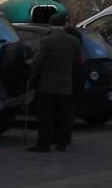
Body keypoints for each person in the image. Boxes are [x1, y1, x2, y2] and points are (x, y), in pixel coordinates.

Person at [28, 20, 81, 153]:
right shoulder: (74, 41)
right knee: (63, 116)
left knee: (45, 116)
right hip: (66, 85)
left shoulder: (47, 41)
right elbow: (77, 62)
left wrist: (33, 77)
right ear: (64, 25)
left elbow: (37, 62)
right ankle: (61, 143)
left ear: (51, 25)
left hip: (47, 85)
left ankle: (43, 144)